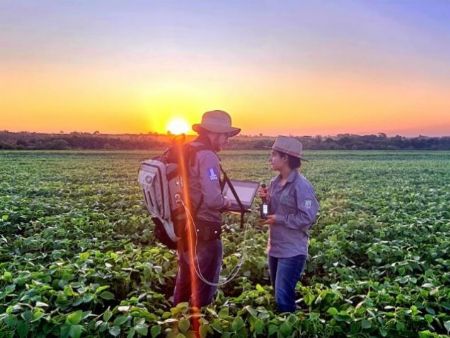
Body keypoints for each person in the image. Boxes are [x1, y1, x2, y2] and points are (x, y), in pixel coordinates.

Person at [173, 110, 240, 308]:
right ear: (214, 133)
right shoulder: (207, 156)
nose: (227, 141)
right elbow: (212, 200)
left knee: (185, 280)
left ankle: (176, 324)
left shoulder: (187, 149)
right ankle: (198, 324)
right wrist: (226, 202)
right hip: (204, 229)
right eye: (225, 135)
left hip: (184, 226)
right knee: (204, 286)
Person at [260, 136, 319, 312]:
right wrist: (263, 201)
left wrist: (280, 219)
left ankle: (292, 327)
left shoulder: (301, 185)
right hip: (275, 248)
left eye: (273, 155)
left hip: (292, 250)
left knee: (283, 299)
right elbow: (265, 214)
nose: (270, 159)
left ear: (285, 158)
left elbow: (307, 218)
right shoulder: (274, 183)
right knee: (280, 295)